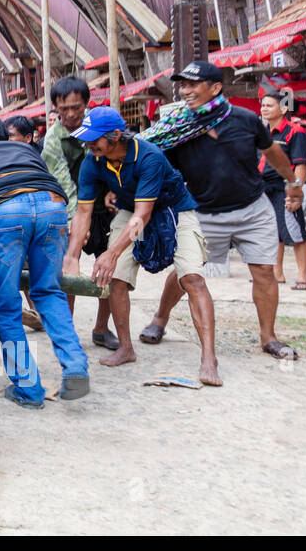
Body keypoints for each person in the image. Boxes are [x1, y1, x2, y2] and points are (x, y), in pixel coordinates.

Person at [141, 62, 302, 361]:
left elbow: (272, 152)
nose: (184, 91)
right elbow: (156, 165)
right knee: (186, 272)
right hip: (204, 213)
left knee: (265, 271)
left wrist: (292, 181)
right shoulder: (176, 128)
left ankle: (268, 337)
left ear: (215, 88)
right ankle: (160, 318)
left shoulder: (246, 120)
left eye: (192, 84)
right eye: (182, 85)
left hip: (253, 209)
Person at [61, 107, 219, 384]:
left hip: (174, 209)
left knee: (193, 278)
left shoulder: (149, 157)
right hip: (129, 210)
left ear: (117, 136)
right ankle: (126, 347)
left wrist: (111, 252)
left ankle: (209, 357)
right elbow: (84, 212)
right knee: (117, 278)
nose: (89, 145)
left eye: (94, 139)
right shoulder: (92, 161)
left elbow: (142, 216)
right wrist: (72, 256)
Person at [0, 111, 90, 407]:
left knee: (5, 305)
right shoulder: (24, 148)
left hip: (5, 209)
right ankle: (76, 365)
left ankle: (28, 389)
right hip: (53, 208)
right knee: (49, 291)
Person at [39, 76, 117, 350]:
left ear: (86, 103)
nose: (71, 114)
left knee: (107, 270)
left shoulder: (102, 127)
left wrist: (114, 192)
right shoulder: (51, 141)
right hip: (67, 212)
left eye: (76, 107)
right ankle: (66, 333)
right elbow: (64, 186)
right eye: (64, 109)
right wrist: (75, 222)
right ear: (56, 109)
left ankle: (101, 328)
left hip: (105, 211)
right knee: (67, 272)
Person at [259, 92, 306, 290]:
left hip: (284, 188)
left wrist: (295, 192)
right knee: (272, 234)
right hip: (264, 188)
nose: (264, 109)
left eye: (269, 105)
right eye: (263, 105)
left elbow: (300, 165)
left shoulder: (295, 131)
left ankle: (302, 276)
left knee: (295, 231)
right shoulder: (261, 132)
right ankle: (276, 274)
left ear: (283, 109)